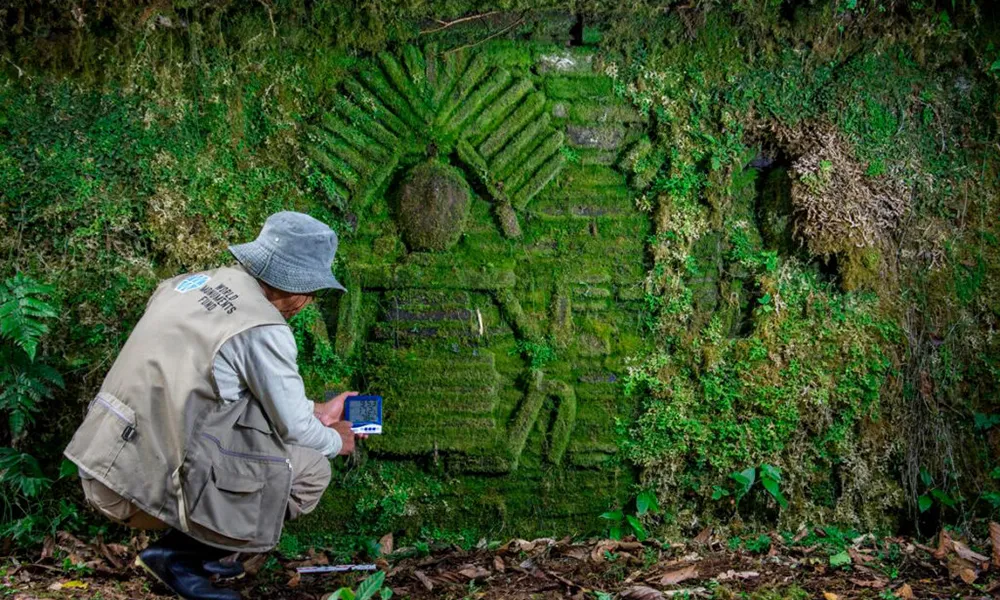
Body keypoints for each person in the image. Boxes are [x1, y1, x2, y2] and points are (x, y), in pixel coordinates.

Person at [64, 211, 364, 600]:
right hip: (144, 491)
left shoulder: (187, 285)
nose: (307, 303)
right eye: (313, 293)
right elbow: (292, 429)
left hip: (101, 466)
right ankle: (180, 558)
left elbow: (213, 388)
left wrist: (318, 413)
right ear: (297, 288)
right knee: (311, 470)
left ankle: (194, 550)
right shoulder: (263, 327)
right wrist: (336, 439)